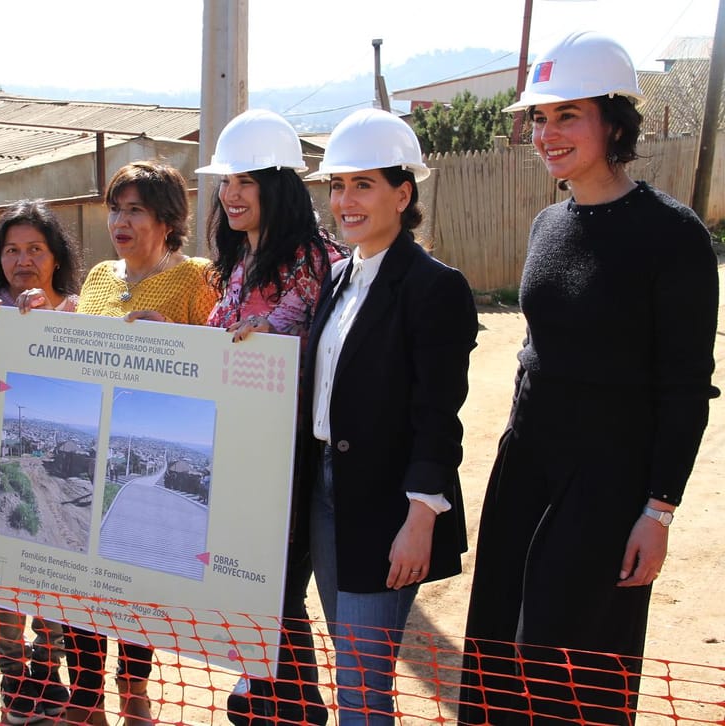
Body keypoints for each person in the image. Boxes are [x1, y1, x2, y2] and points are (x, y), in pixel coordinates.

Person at [458, 31, 720, 726]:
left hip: (608, 486)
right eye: (539, 118)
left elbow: (687, 387)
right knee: (499, 666)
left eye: (566, 114)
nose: (547, 133)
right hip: (528, 471)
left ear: (614, 119)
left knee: (569, 677)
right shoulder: (549, 222)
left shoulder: (674, 236)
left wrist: (658, 509)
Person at [19, 161, 217, 725]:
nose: (119, 221)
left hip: (145, 429)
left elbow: (222, 366)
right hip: (98, 450)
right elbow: (83, 344)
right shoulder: (102, 276)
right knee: (82, 580)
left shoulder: (198, 279)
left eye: (135, 210)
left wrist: (182, 339)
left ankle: (134, 689)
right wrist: (50, 316)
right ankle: (85, 701)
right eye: (116, 208)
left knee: (135, 579)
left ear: (167, 219)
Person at [299, 108, 478, 725]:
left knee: (362, 687)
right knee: (354, 672)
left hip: (387, 504)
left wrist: (421, 515)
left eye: (363, 184)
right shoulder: (340, 276)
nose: (345, 200)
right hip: (328, 491)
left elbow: (439, 415)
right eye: (337, 185)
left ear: (403, 194)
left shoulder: (435, 287)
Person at [193, 109, 348, 726]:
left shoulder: (313, 259)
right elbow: (217, 343)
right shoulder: (236, 263)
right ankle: (274, 696)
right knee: (258, 589)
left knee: (275, 589)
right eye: (226, 181)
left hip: (286, 456)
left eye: (246, 181)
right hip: (237, 451)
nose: (230, 194)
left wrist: (256, 335)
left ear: (277, 187)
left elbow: (286, 339)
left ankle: (288, 707)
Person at [0, 199, 81, 724]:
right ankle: (14, 680)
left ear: (55, 256)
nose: (23, 261)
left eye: (35, 249)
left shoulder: (79, 313)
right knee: (4, 591)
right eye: (12, 250)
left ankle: (48, 672)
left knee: (55, 592)